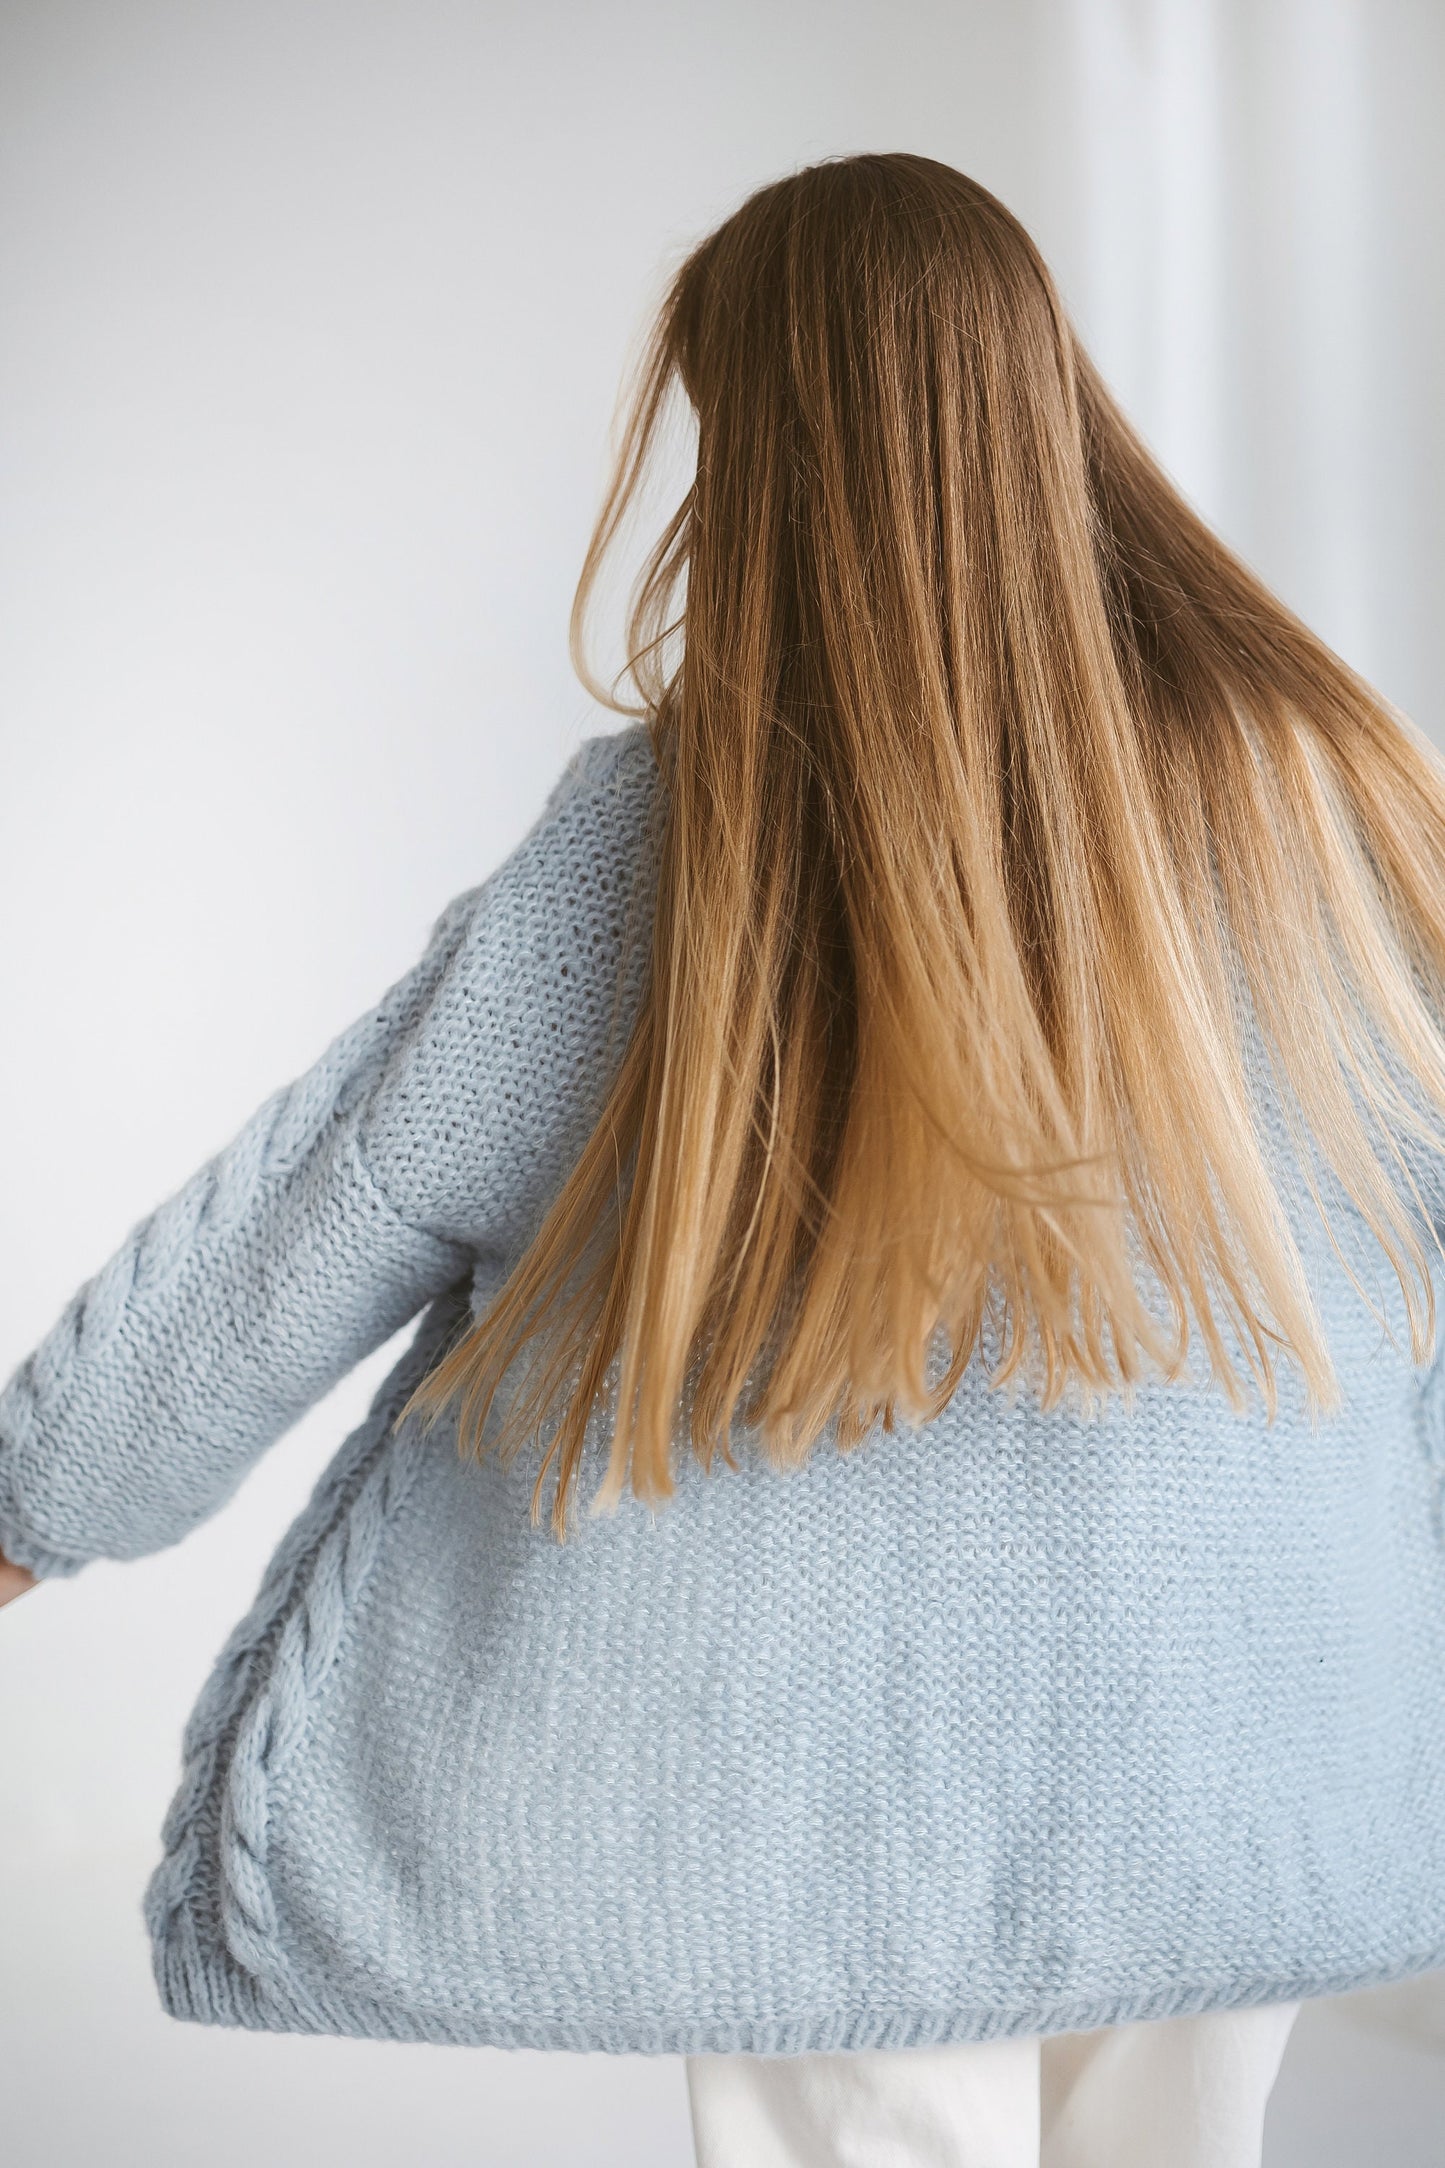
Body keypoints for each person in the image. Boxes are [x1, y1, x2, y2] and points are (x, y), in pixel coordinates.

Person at [4, 152, 1445, 2168]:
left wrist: (39, 1493)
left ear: (761, 444)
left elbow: (342, 1196)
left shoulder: (689, 843)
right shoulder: (1325, 786)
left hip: (819, 1803)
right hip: (1259, 1741)